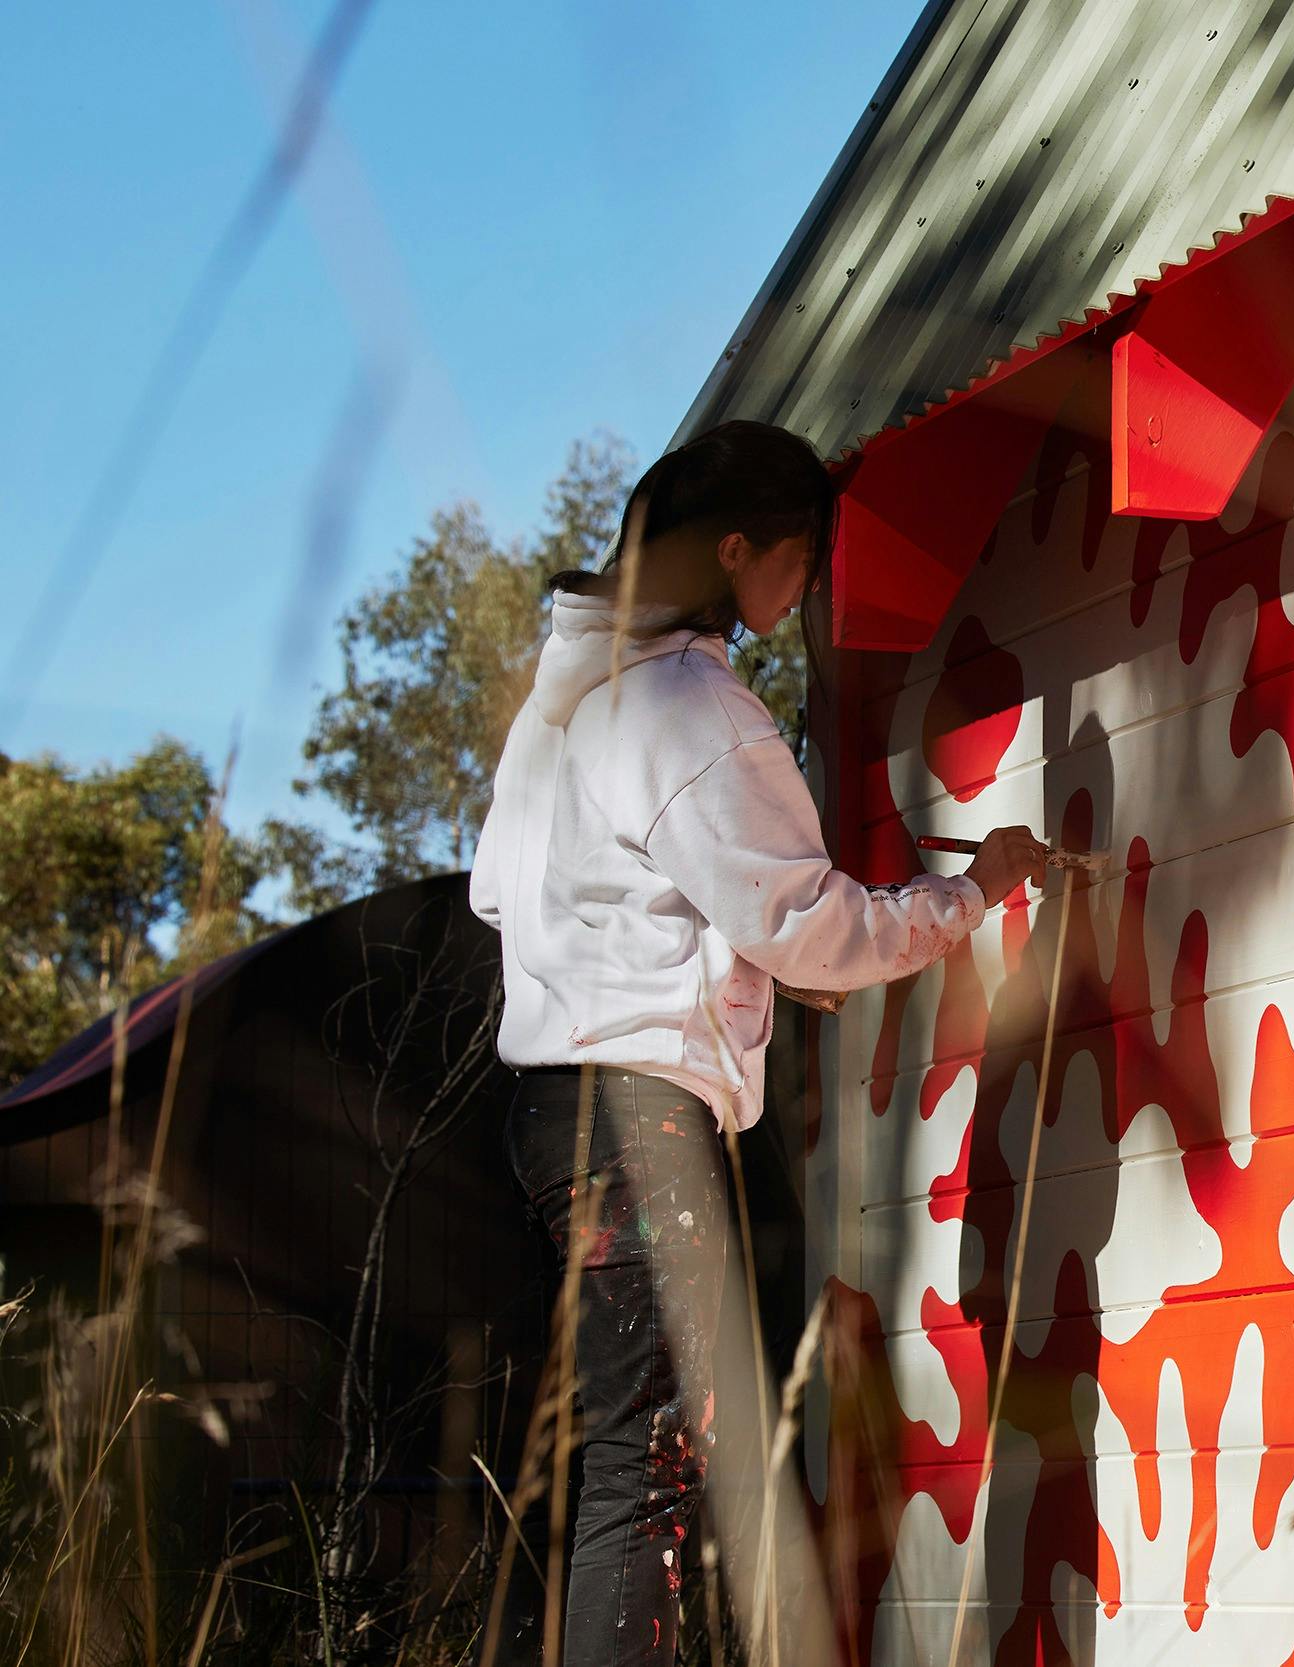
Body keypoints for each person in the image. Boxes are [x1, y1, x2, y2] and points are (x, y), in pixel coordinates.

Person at [468, 420, 1045, 1664]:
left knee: (606, 1453)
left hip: (547, 1115)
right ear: (736, 550)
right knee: (653, 1461)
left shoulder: (561, 702)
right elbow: (812, 926)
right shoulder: (689, 703)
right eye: (800, 557)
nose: (810, 584)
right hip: (639, 1119)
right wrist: (973, 893)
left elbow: (502, 897)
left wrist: (733, 958)